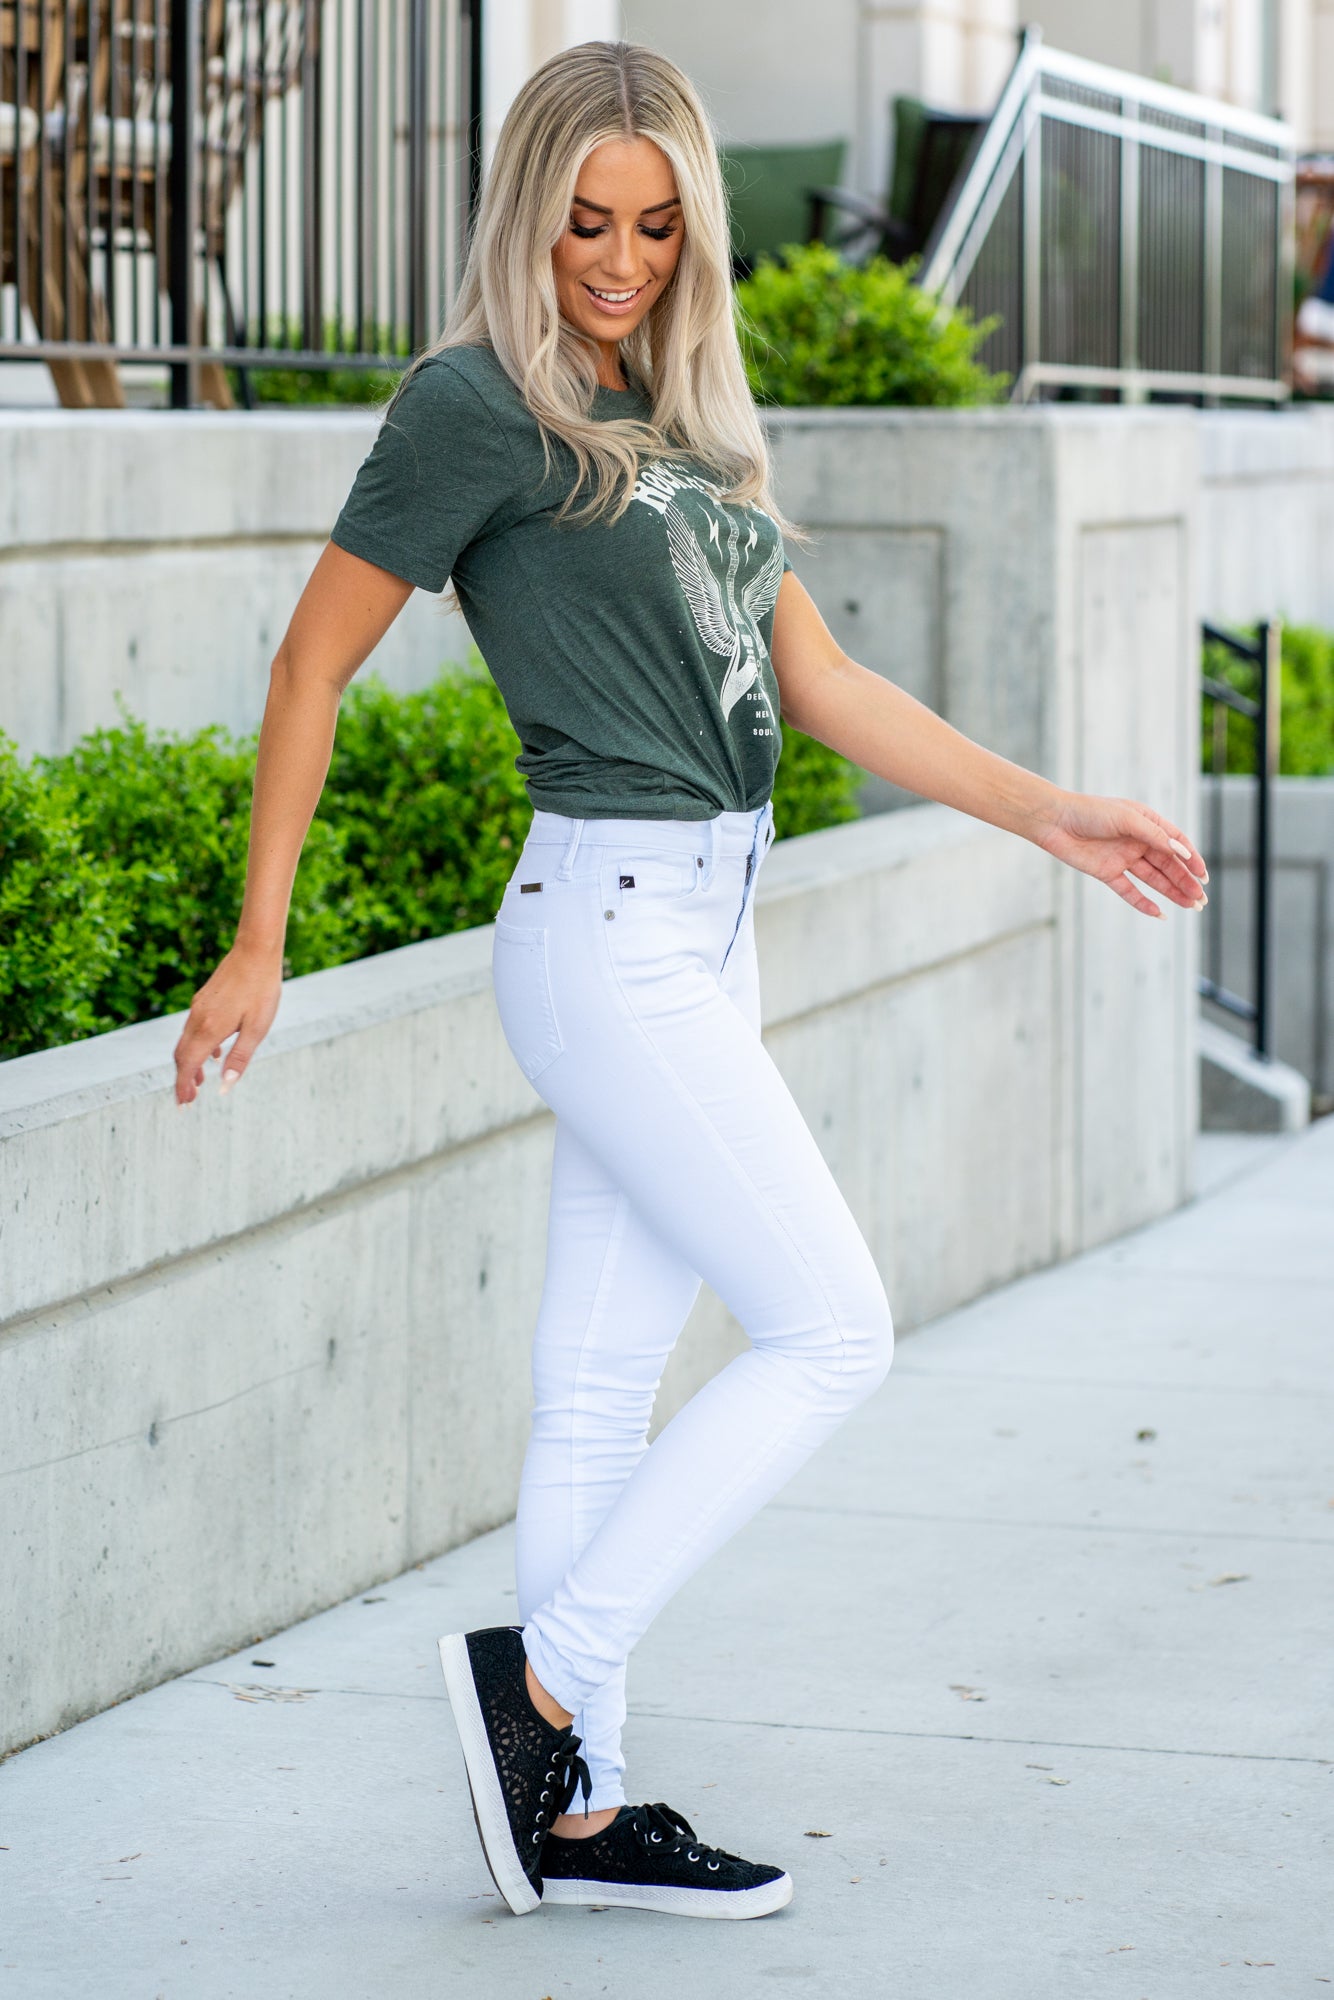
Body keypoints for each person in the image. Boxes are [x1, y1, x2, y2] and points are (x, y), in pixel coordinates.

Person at [172, 39, 1209, 1923]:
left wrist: (1046, 810)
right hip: (605, 923)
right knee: (832, 1327)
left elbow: (817, 683)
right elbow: (309, 664)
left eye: (654, 225)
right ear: (524, 211)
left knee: (599, 1395)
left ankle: (575, 1811)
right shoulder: (471, 406)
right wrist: (263, 938)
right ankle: (542, 1688)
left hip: (701, 930)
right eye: (584, 221)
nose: (620, 259)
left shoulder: (696, 417)